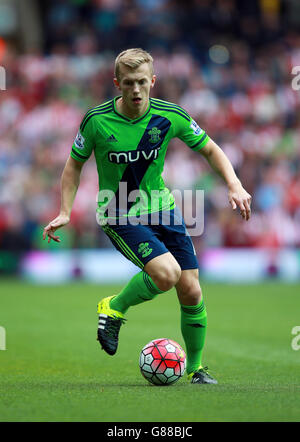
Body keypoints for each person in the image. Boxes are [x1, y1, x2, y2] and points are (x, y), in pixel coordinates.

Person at [43, 48, 252, 384]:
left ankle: (196, 369)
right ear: (117, 83)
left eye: (142, 82)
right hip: (118, 211)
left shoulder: (170, 116)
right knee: (167, 274)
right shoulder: (96, 121)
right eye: (128, 83)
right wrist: (65, 211)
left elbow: (210, 148)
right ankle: (114, 305)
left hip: (163, 207)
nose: (136, 90)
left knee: (192, 291)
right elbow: (73, 166)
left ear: (153, 81)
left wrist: (235, 184)